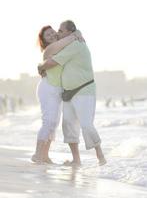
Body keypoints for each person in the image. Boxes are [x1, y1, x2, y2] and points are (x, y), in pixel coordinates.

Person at [38, 20, 106, 166]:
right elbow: (50, 55)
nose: (58, 33)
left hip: (83, 90)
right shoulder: (66, 44)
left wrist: (40, 66)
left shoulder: (76, 45)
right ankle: (76, 160)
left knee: (86, 124)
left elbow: (51, 63)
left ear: (70, 32)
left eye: (61, 31)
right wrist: (76, 33)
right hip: (68, 93)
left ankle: (100, 156)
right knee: (68, 125)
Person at [32, 25, 80, 163]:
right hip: (47, 88)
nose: (52, 35)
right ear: (44, 41)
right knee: (48, 121)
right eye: (48, 35)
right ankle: (37, 154)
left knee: (54, 123)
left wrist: (77, 33)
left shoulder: (60, 47)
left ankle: (45, 156)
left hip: (56, 90)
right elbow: (69, 38)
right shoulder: (49, 49)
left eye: (53, 32)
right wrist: (76, 34)